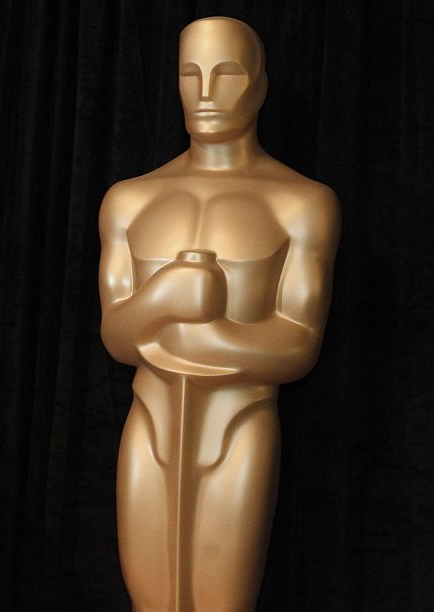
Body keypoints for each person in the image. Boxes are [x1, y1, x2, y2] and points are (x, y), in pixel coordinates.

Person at [98, 17, 340, 611]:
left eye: (227, 73)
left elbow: (297, 347)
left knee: (221, 600)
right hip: (149, 421)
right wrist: (163, 300)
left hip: (241, 421)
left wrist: (192, 335)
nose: (206, 92)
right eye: (190, 74)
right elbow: (117, 338)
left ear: (259, 85)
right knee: (150, 599)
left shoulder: (300, 203)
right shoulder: (130, 198)